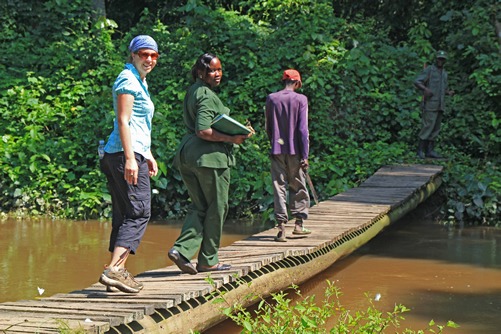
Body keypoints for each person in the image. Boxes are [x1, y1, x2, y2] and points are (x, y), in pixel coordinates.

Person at [168, 53, 252, 274]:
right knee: (217, 207)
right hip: (209, 159)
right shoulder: (205, 95)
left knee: (200, 206)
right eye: (212, 70)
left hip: (189, 156)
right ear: (200, 72)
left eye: (219, 70)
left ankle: (182, 250)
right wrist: (232, 138)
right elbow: (204, 129)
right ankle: (208, 260)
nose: (217, 74)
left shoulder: (193, 91)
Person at [98, 35, 159, 293]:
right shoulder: (127, 79)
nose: (149, 59)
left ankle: (114, 277)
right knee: (139, 212)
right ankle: (115, 270)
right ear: (133, 55)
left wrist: (148, 154)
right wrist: (133, 158)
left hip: (126, 153)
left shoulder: (138, 81)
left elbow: (137, 125)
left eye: (153, 56)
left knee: (124, 214)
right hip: (125, 155)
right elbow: (123, 121)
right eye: (144, 54)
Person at [265, 69, 311, 242]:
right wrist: (304, 155)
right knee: (298, 185)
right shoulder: (301, 99)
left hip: (277, 149)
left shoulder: (272, 98)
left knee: (279, 187)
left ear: (283, 81)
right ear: (297, 83)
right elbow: (303, 130)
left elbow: (268, 126)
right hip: (295, 150)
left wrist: (274, 143)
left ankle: (281, 228)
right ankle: (299, 225)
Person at [414, 50, 455, 159]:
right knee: (427, 126)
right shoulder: (430, 70)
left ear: (445, 60)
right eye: (439, 58)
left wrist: (448, 92)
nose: (440, 61)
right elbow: (417, 81)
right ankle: (420, 151)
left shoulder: (445, 73)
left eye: (442, 59)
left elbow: (442, 89)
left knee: (436, 128)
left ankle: (429, 151)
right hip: (430, 104)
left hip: (440, 105)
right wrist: (425, 89)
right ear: (436, 59)